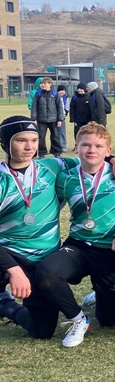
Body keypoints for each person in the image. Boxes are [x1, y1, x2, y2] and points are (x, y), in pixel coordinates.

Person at [33, 123, 115, 347]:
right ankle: (78, 319)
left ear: (108, 151)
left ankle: (100, 292)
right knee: (47, 273)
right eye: (85, 145)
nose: (91, 150)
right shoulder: (65, 178)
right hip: (79, 246)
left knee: (109, 321)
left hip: (111, 250)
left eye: (98, 146)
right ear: (76, 147)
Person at [0, 118, 63, 339]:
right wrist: (13, 269)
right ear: (5, 143)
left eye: (34, 140)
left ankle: (6, 305)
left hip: (42, 260)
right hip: (7, 253)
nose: (29, 147)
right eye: (21, 140)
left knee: (42, 331)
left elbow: (91, 158)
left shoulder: (52, 167)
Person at [29, 77, 65, 157]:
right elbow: (34, 107)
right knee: (41, 137)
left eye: (44, 83)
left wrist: (60, 119)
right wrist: (34, 119)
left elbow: (60, 107)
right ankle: (42, 153)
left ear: (50, 84)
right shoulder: (38, 94)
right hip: (41, 119)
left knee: (55, 136)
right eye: (42, 83)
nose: (43, 85)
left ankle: (56, 152)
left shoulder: (55, 94)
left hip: (53, 120)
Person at [56, 85, 70, 153]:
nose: (62, 92)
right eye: (60, 90)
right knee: (55, 133)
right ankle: (56, 146)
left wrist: (65, 113)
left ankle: (63, 146)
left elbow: (67, 107)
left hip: (62, 117)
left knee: (62, 132)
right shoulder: (55, 97)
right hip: (54, 117)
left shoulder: (66, 98)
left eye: (63, 90)